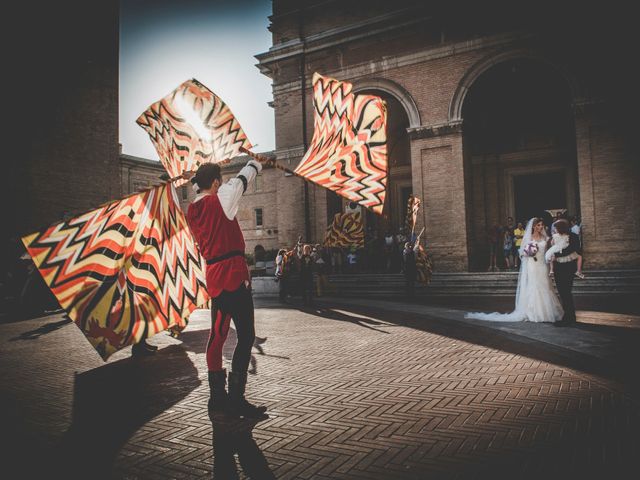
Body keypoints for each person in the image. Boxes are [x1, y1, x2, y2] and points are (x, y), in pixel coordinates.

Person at [184, 161, 266, 418]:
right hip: (233, 275)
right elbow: (242, 179)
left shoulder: (193, 209)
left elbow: (202, 189)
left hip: (215, 279)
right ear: (217, 183)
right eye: (220, 181)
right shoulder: (221, 198)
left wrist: (196, 179)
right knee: (246, 335)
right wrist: (255, 163)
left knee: (217, 337)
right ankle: (236, 399)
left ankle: (217, 399)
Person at [466, 218, 563, 323]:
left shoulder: (545, 237)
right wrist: (529, 252)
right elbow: (522, 253)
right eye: (539, 225)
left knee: (545, 285)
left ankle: (548, 311)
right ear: (534, 226)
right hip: (532, 264)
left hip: (543, 264)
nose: (541, 227)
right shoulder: (529, 237)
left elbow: (549, 251)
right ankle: (534, 312)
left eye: (542, 225)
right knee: (535, 285)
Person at [546, 218, 582, 326]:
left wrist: (557, 254)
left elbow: (573, 249)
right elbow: (551, 247)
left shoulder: (573, 236)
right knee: (562, 292)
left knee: (566, 292)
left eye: (556, 227)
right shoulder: (555, 237)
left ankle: (570, 317)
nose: (555, 229)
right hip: (558, 267)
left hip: (568, 267)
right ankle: (568, 316)